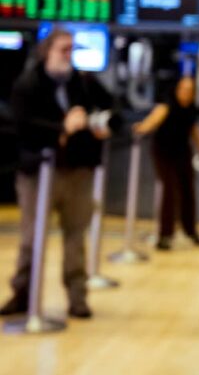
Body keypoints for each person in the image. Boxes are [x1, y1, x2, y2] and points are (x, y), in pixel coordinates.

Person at [1, 27, 116, 319]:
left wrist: (97, 123)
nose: (69, 55)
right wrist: (62, 128)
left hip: (77, 170)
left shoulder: (84, 82)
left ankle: (77, 298)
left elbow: (115, 111)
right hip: (38, 173)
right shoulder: (28, 84)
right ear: (47, 51)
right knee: (31, 237)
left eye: (72, 49)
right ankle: (23, 295)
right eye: (63, 49)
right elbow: (22, 124)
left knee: (75, 236)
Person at [131, 76, 199, 250]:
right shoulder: (166, 106)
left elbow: (194, 130)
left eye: (190, 90)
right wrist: (141, 128)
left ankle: (190, 231)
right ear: (177, 90)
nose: (186, 93)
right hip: (163, 151)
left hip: (182, 152)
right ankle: (165, 235)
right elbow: (152, 121)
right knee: (169, 190)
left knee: (188, 190)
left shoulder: (191, 109)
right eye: (183, 89)